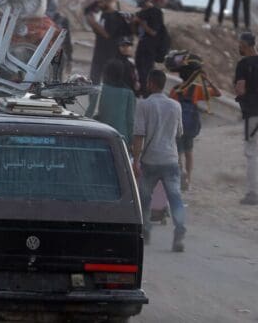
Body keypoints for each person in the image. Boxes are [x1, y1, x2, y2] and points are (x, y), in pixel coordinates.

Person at [132, 70, 187, 251]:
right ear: (164, 85)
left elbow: (139, 135)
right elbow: (179, 134)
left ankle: (146, 230)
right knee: (175, 197)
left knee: (145, 197)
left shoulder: (143, 105)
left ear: (150, 83)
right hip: (170, 159)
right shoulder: (175, 106)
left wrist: (136, 161)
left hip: (150, 161)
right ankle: (179, 232)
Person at [169, 55, 218, 191]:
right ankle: (189, 180)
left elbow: (170, 108)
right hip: (190, 127)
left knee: (178, 154)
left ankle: (180, 175)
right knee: (189, 153)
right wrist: (206, 79)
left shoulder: (175, 90)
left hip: (178, 127)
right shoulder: (196, 90)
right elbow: (218, 93)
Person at [85, 0, 132, 84]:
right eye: (98, 2)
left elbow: (107, 35)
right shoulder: (104, 15)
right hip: (99, 54)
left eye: (101, 1)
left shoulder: (116, 16)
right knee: (93, 82)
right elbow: (99, 32)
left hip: (109, 56)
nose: (99, 4)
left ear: (109, 0)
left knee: (108, 83)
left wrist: (93, 23)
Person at [89, 57, 136, 147]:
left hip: (100, 136)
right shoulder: (128, 93)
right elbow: (130, 121)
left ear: (106, 73)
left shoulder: (100, 89)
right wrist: (131, 142)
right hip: (120, 139)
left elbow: (89, 112)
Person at [234, 32, 258, 205]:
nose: (239, 47)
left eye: (240, 44)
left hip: (253, 114)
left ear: (247, 45)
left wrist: (237, 89)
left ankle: (253, 194)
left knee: (252, 153)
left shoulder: (243, 64)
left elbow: (241, 89)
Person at [134, 0, 167, 91]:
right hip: (142, 46)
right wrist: (133, 22)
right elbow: (137, 33)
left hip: (150, 48)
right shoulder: (141, 13)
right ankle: (142, 91)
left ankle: (147, 92)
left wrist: (141, 22)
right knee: (139, 68)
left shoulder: (156, 12)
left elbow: (153, 32)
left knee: (147, 73)